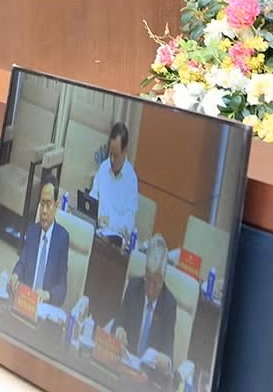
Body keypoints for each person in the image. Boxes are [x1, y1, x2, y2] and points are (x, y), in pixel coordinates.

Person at [114, 234, 178, 371]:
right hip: (125, 363)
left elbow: (169, 357)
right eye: (148, 279)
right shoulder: (134, 288)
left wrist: (164, 360)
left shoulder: (169, 305)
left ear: (162, 280)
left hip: (149, 373)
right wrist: (119, 330)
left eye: (156, 282)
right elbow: (119, 321)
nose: (150, 288)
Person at [13, 182, 70, 307]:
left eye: (48, 205)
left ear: (56, 205)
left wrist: (47, 295)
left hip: (44, 306)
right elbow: (22, 263)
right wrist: (15, 275)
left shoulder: (62, 238)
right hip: (26, 302)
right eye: (42, 204)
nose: (44, 211)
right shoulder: (32, 232)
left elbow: (62, 286)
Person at [90, 121, 141, 243]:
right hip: (97, 233)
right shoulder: (104, 167)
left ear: (125, 151)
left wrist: (108, 221)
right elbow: (93, 197)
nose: (112, 160)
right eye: (110, 154)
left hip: (116, 240)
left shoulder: (131, 180)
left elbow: (128, 224)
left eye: (116, 155)